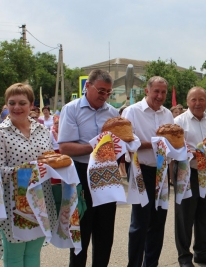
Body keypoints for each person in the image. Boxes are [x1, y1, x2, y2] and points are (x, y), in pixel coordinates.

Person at [58, 69, 119, 267]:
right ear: (88, 86)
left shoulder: (112, 113)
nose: (104, 96)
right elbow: (65, 147)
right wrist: (97, 146)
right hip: (80, 174)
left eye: (108, 93)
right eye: (101, 91)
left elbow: (120, 143)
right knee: (80, 233)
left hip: (106, 174)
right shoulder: (72, 109)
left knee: (105, 233)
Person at [0, 83, 57, 266]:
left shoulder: (42, 131)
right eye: (12, 102)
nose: (16, 107)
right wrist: (26, 170)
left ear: (32, 105)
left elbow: (49, 160)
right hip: (13, 204)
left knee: (33, 254)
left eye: (22, 102)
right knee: (14, 257)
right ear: (6, 105)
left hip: (40, 201)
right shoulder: (1, 133)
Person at [121, 76, 174, 267]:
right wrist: (155, 143)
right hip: (139, 170)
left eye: (163, 92)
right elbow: (126, 143)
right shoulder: (132, 112)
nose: (159, 96)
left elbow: (170, 141)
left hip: (161, 171)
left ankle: (151, 264)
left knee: (158, 221)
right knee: (140, 223)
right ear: (147, 91)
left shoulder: (167, 114)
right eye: (156, 91)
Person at [173, 87, 206, 267]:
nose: (198, 103)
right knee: (184, 216)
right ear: (187, 101)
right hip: (187, 173)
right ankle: (184, 257)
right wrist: (189, 153)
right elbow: (174, 147)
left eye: (201, 99)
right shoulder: (179, 121)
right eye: (194, 99)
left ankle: (202, 252)